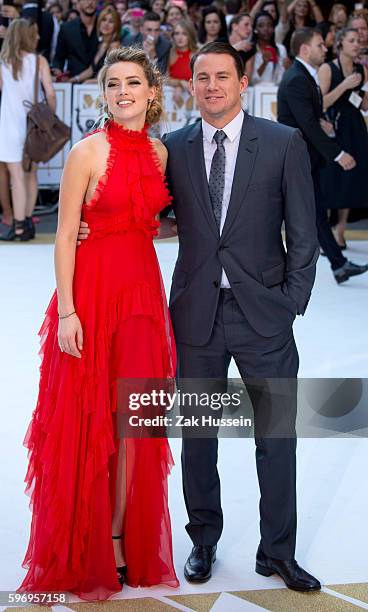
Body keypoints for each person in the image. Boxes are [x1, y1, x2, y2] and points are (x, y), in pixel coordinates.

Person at [77, 40, 321, 592]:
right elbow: (136, 208)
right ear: (191, 87)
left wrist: (290, 302)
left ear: (242, 81)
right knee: (199, 436)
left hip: (265, 319)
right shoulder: (173, 149)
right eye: (202, 77)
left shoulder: (283, 144)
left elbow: (304, 234)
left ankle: (277, 551)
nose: (211, 85)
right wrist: (89, 226)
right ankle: (203, 539)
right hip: (196, 316)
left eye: (222, 76)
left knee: (277, 437)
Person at [17, 46, 179, 599]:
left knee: (134, 418)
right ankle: (92, 541)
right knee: (89, 420)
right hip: (90, 296)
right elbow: (64, 234)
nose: (124, 92)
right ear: (103, 95)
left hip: (142, 299)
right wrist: (67, 311)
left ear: (152, 93)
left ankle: (118, 534)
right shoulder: (87, 152)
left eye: (134, 82)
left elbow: (152, 220)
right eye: (114, 84)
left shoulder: (161, 153)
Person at [277, 27, 368, 284]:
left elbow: (307, 117)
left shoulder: (305, 76)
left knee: (314, 213)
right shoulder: (297, 78)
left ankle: (338, 265)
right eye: (320, 45)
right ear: (305, 49)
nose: (325, 48)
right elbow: (305, 124)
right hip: (297, 158)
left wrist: (320, 121)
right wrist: (337, 154)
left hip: (305, 157)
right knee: (297, 214)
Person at [0, 19, 56, 241]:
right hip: (34, 126)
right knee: (31, 174)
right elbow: (50, 93)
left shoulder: (4, 61)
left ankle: (20, 226)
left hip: (10, 124)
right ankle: (28, 222)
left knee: (17, 177)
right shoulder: (39, 61)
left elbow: (4, 90)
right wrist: (50, 116)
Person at [318, 27, 368, 248]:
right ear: (340, 44)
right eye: (352, 40)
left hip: (354, 127)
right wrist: (345, 85)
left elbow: (364, 105)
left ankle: (340, 231)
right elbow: (320, 103)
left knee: (351, 179)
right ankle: (326, 231)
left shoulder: (361, 69)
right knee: (330, 179)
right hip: (332, 126)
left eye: (359, 40)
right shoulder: (328, 69)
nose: (357, 44)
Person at [69, 5, 121, 83]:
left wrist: (90, 82)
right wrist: (74, 79)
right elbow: (91, 70)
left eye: (111, 22)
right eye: (103, 20)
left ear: (116, 26)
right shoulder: (100, 44)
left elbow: (111, 76)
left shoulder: (114, 47)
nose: (106, 24)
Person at [52, 0, 98, 80]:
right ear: (78, 3)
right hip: (73, 83)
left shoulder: (105, 26)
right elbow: (59, 58)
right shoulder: (66, 28)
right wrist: (58, 71)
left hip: (99, 82)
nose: (90, 2)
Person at [248, 11, 288, 85]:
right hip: (257, 93)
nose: (266, 28)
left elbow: (281, 79)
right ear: (255, 29)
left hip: (275, 92)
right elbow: (251, 81)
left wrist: (287, 68)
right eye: (261, 26)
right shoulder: (250, 50)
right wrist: (264, 63)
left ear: (273, 28)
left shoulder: (281, 49)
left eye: (269, 25)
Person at [168, 19, 199, 83]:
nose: (180, 37)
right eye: (177, 33)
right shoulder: (168, 53)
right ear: (173, 36)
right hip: (171, 91)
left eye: (184, 34)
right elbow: (164, 79)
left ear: (190, 36)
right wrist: (180, 83)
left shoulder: (198, 55)